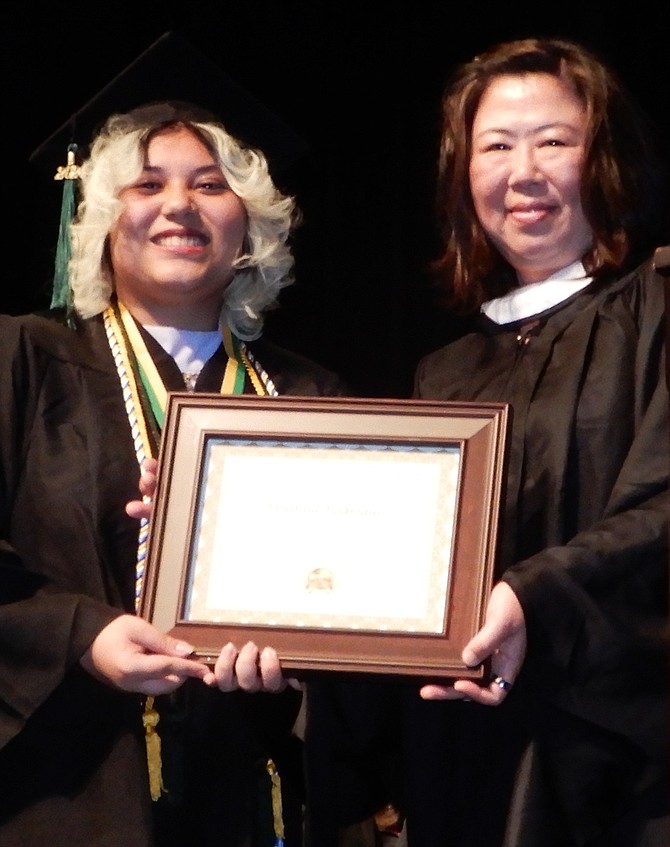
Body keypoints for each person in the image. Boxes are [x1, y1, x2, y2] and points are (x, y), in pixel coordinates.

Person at [300, 36, 669, 847]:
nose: (522, 171)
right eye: (495, 146)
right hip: (467, 761)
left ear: (605, 158)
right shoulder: (444, 374)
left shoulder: (656, 312)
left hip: (627, 766)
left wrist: (535, 595)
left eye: (554, 141)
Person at [0, 48, 348, 847]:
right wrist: (82, 633)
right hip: (60, 794)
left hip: (245, 792)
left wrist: (295, 656)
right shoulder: (21, 363)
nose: (179, 206)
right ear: (96, 217)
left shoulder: (308, 397)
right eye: (148, 183)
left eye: (211, 184)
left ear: (250, 222)